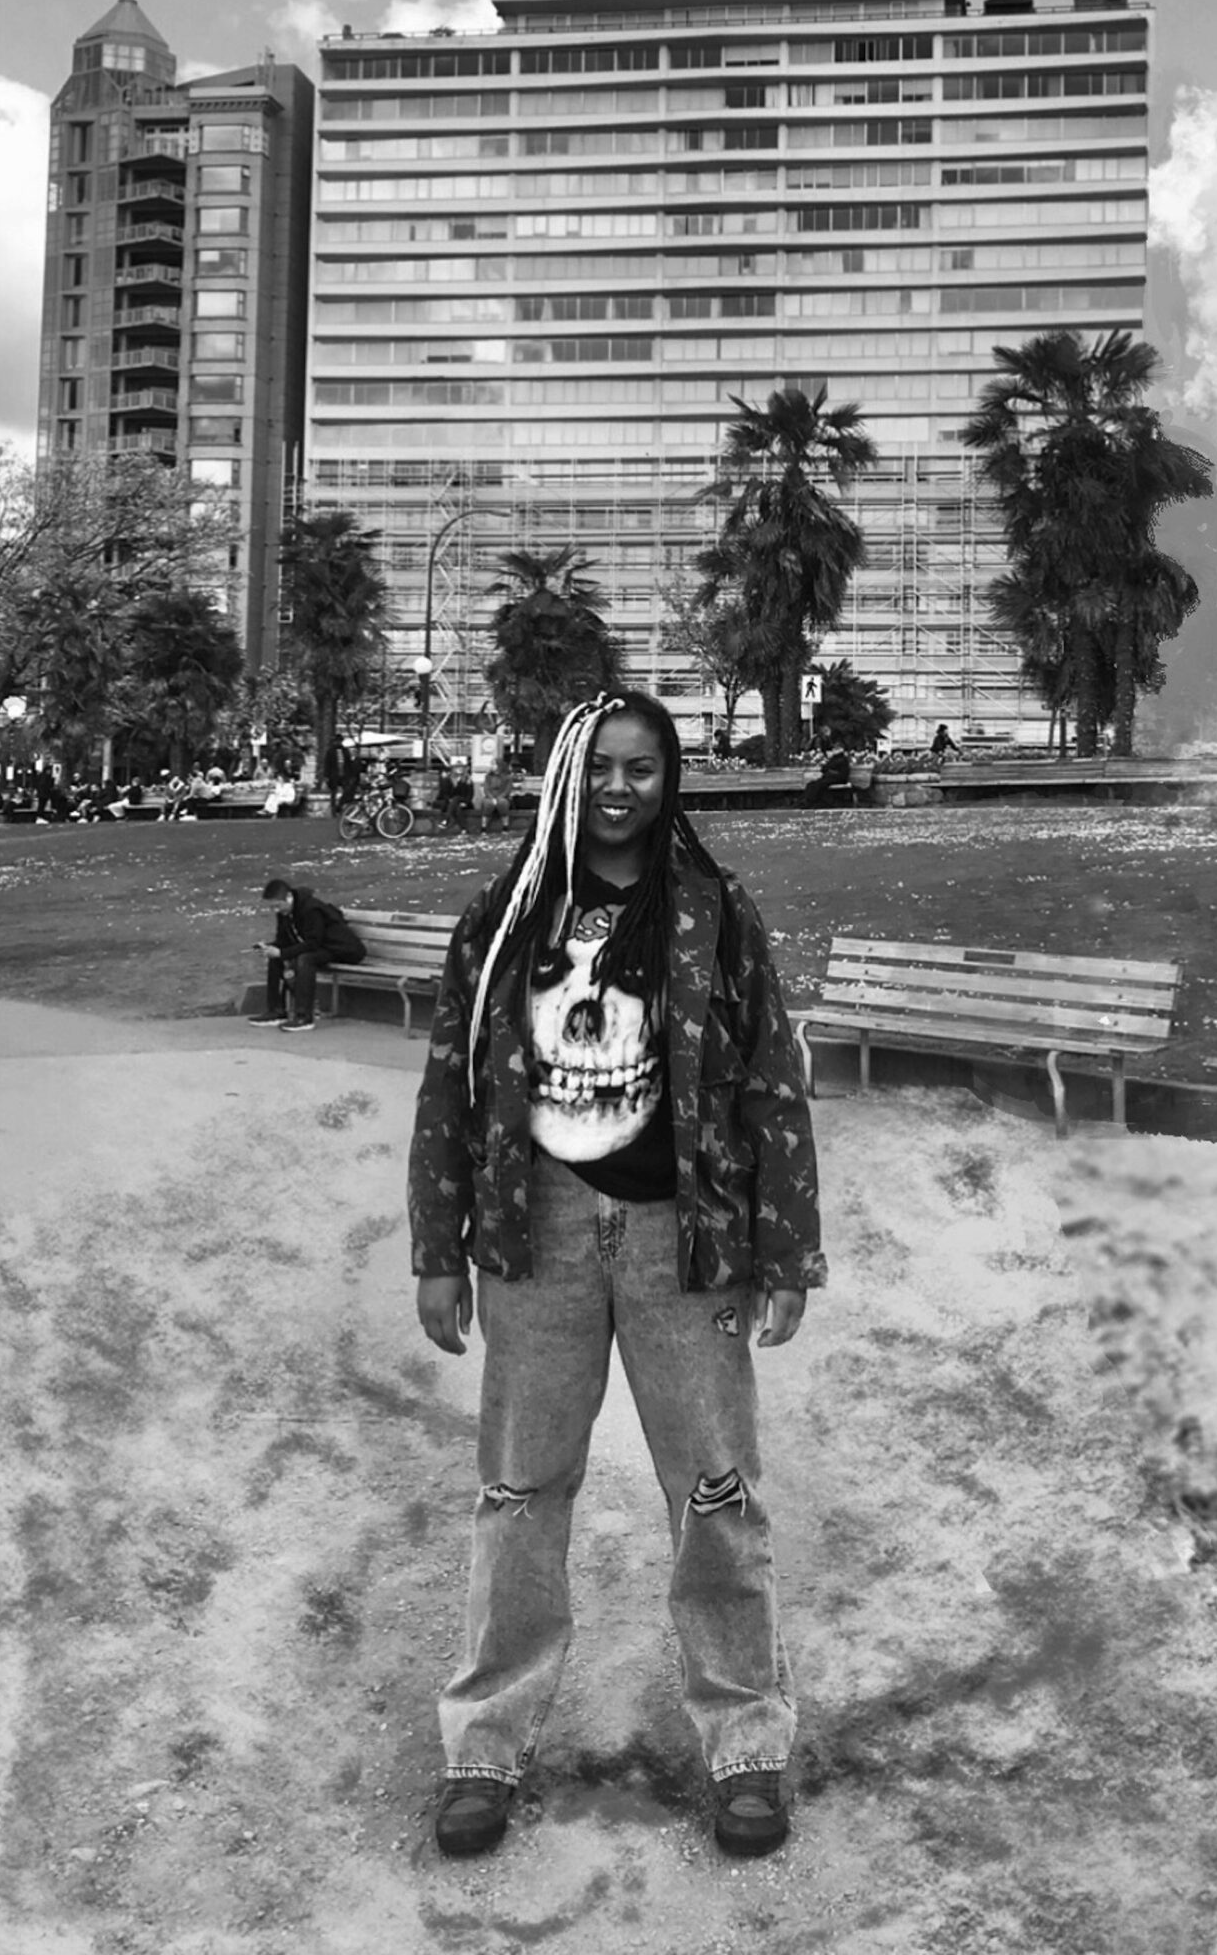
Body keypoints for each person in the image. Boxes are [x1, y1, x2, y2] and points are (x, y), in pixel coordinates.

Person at [408, 690, 825, 1865]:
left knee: (716, 1494)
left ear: (668, 780)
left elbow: (768, 1082)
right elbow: (451, 1083)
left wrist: (785, 1248)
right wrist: (439, 1249)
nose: (621, 789)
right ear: (565, 774)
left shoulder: (711, 913)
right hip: (533, 1234)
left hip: (678, 1240)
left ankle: (745, 1738)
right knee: (517, 1492)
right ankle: (483, 1744)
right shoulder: (506, 913)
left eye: (644, 768)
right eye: (601, 766)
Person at [258, 876, 368, 1028]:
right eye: (272, 908)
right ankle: (276, 1010)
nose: (276, 910)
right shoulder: (284, 914)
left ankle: (304, 1016)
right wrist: (270, 948)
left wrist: (282, 953)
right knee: (276, 958)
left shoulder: (311, 909)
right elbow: (284, 941)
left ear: (289, 898)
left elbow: (313, 942)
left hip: (342, 949)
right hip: (321, 948)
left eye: (277, 906)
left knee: (305, 959)